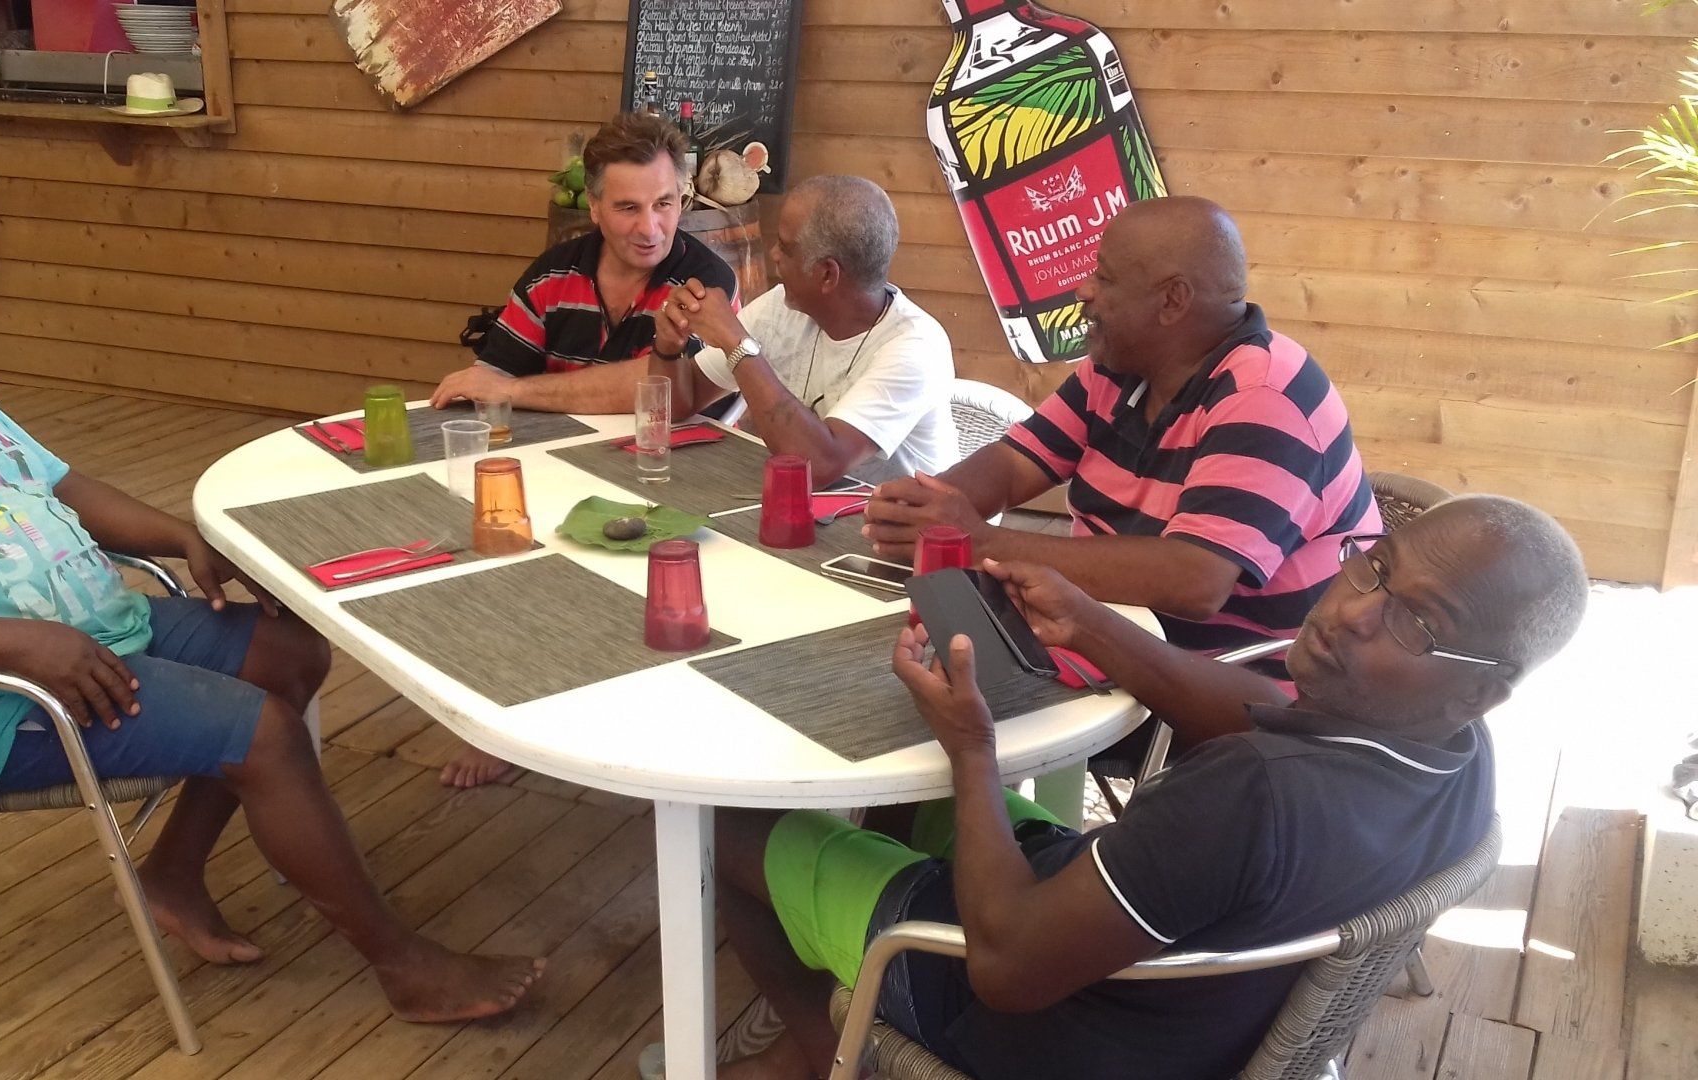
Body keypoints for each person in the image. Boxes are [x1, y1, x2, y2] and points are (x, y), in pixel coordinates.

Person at [0, 217, 543, 1022]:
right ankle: (406, 967)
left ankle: (173, 872)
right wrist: (22, 643)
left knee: (287, 650)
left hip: (91, 637)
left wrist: (185, 538)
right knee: (264, 733)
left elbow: (64, 489)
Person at [710, 494, 1586, 1079]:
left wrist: (973, 747)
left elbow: (1006, 969)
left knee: (736, 831)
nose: (1353, 611)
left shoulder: (1250, 799)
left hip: (1049, 1030)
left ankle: (825, 1049)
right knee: (919, 789)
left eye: (1418, 622)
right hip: (1176, 1004)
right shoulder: (1453, 748)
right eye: (1377, 567)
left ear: (1481, 688)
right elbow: (1262, 707)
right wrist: (1087, 621)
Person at [861, 196, 1379, 655]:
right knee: (914, 664)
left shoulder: (1266, 397)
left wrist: (980, 542)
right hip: (1106, 636)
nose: (1082, 289)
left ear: (1172, 300)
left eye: (1105, 278)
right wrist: (926, 509)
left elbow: (1195, 580)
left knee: (937, 692)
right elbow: (1017, 463)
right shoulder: (1121, 365)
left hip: (1236, 685)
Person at [654, 174, 957, 488]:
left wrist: (736, 343)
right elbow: (677, 404)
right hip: (796, 504)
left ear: (827, 274)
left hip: (887, 516)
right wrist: (668, 344)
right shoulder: (779, 307)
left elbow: (818, 466)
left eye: (786, 248)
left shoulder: (916, 347)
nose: (773, 254)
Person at [426, 111, 737, 417]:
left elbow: (663, 387)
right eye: (628, 208)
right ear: (593, 205)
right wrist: (495, 387)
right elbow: (490, 379)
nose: (649, 228)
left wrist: (514, 391)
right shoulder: (550, 275)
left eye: (663, 204)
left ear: (681, 200)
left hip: (674, 450)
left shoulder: (707, 282)